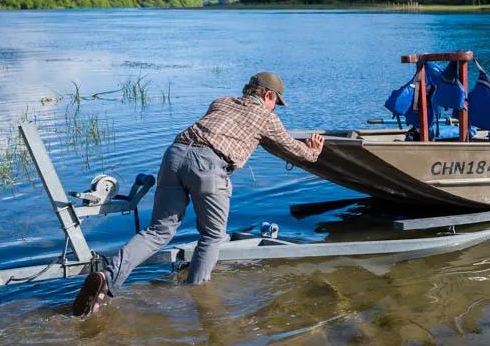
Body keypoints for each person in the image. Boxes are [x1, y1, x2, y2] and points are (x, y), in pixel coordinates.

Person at [72, 72, 324, 316]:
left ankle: (107, 277)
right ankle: (194, 297)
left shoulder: (221, 101)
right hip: (208, 165)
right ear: (267, 95)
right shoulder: (266, 118)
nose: (275, 107)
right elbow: (293, 149)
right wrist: (313, 151)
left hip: (174, 155)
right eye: (276, 102)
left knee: (158, 231)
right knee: (212, 235)